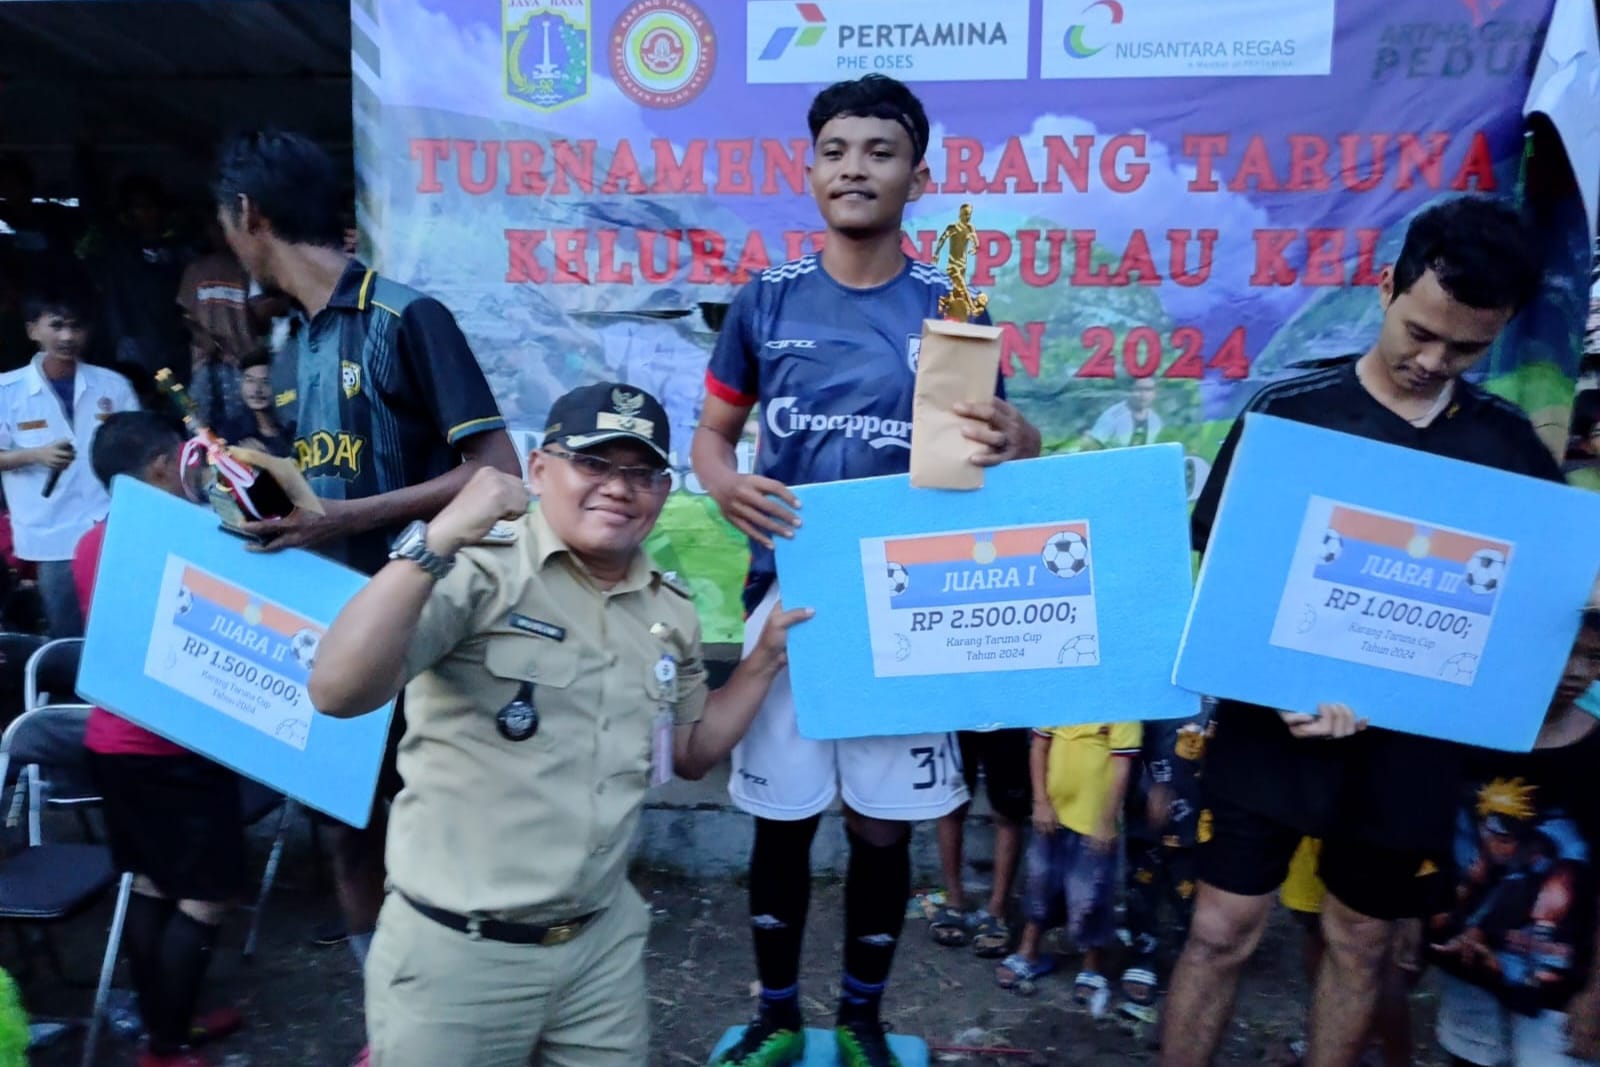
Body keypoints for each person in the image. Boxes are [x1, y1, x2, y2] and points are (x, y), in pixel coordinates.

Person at [1160, 195, 1567, 1067]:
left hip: (1410, 748)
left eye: (1465, 349)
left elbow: (1524, 615)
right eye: (1420, 332)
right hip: (1272, 730)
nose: (1433, 361)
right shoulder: (1289, 414)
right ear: (1385, 286)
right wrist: (1275, 684)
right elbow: (1225, 579)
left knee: (1361, 939)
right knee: (1222, 928)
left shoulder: (1509, 450)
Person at [690, 74, 1041, 1067]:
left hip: (908, 605)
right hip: (792, 604)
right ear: (810, 170)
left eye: (880, 152)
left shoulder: (951, 308)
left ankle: (861, 1018)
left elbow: (993, 459)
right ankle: (774, 1016)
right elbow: (713, 435)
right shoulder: (766, 300)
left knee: (884, 829)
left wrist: (1019, 439)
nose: (855, 168)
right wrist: (724, 483)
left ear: (917, 178)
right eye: (836, 150)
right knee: (782, 822)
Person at [308, 383, 811, 1067]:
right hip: (458, 958)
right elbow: (337, 690)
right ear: (541, 469)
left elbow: (693, 750)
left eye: (641, 472)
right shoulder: (478, 569)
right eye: (594, 463)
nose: (619, 487)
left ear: (664, 491)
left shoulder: (668, 608)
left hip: (600, 951)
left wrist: (765, 660)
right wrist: (437, 537)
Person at [210, 129, 521, 1063]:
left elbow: (497, 472)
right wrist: (258, 496)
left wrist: (345, 519)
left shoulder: (406, 316)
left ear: (249, 216)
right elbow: (322, 485)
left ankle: (473, 1017)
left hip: (428, 627)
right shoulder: (295, 342)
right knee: (344, 828)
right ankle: (389, 1021)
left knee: (437, 833)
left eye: (224, 222)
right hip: (328, 624)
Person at [78, 412, 247, 1067]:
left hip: (113, 741)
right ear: (158, 466)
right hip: (172, 749)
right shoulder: (178, 536)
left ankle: (166, 1028)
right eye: (186, 463)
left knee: (152, 885)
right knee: (206, 896)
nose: (194, 475)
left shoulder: (92, 540)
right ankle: (168, 1046)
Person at [1428, 612, 1600, 1067]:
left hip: (1560, 986)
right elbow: (1436, 836)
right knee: (1469, 1055)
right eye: (1565, 651)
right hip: (1469, 967)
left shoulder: (1594, 755)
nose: (1577, 671)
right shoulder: (1470, 733)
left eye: (1595, 657)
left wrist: (1596, 992)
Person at [0, 283, 138, 637]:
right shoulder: (6, 392)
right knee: (67, 635)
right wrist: (36, 455)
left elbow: (140, 449)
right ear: (32, 330)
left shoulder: (114, 386)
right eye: (57, 325)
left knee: (121, 626)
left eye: (76, 327)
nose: (67, 336)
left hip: (110, 527)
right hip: (51, 536)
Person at [994, 721, 1141, 1009]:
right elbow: (1039, 747)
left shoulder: (1122, 706)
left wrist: (1106, 820)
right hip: (1052, 812)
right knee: (1039, 882)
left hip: (1094, 822)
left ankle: (1092, 965)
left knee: (1091, 895)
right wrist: (1040, 802)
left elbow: (1122, 766)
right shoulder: (1061, 699)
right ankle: (1028, 951)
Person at [1277, 839, 1418, 1067]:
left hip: (1378, 836)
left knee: (1375, 955)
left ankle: (1388, 1055)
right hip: (1314, 836)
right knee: (1318, 930)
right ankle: (1332, 1045)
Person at [1117, 716, 1207, 1023]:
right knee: (1141, 888)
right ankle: (1143, 953)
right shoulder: (1149, 694)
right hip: (1149, 813)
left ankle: (1191, 957)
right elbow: (1127, 741)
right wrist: (1148, 787)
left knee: (1190, 895)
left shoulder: (1219, 698)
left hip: (1200, 812)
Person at [928, 729, 1030, 958]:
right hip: (958, 717)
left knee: (1008, 813)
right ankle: (954, 901)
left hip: (1006, 719)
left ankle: (998, 910)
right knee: (950, 805)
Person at [177, 225, 263, 429]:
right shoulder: (195, 270)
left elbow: (263, 314)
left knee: (243, 425)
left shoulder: (249, 268)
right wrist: (203, 337)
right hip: (203, 362)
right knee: (199, 426)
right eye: (217, 229)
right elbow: (183, 315)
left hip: (242, 362)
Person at [218, 350, 292, 459]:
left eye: (266, 381)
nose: (257, 389)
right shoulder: (231, 433)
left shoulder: (293, 431)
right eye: (250, 381)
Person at [1085, 377, 1162, 449]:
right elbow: (1090, 448)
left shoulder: (1155, 420)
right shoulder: (1112, 417)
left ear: (1155, 393)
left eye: (1148, 390)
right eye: (1138, 389)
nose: (1143, 395)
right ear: (1130, 391)